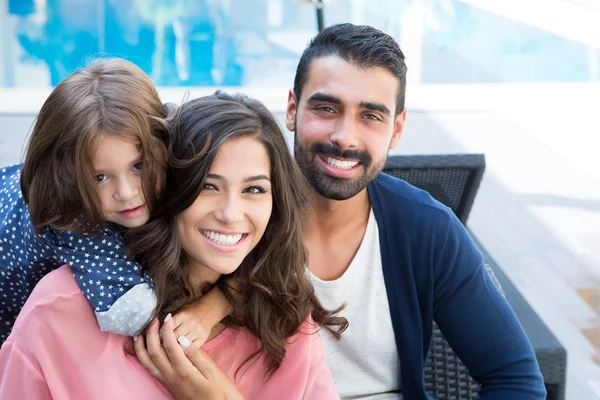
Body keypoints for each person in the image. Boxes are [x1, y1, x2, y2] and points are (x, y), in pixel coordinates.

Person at [178, 23, 548, 399]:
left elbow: (516, 378)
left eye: (371, 116)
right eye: (326, 108)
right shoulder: (235, 217)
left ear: (397, 129)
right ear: (292, 109)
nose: (345, 136)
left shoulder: (425, 230)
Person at [0, 92, 347, 399]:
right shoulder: (59, 310)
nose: (230, 214)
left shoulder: (286, 318)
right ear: (167, 184)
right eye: (208, 186)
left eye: (254, 189)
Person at [0, 58, 220, 345]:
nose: (127, 192)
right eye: (99, 177)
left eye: (138, 165)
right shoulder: (72, 223)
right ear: (66, 178)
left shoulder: (162, 132)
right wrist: (216, 305)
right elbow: (134, 315)